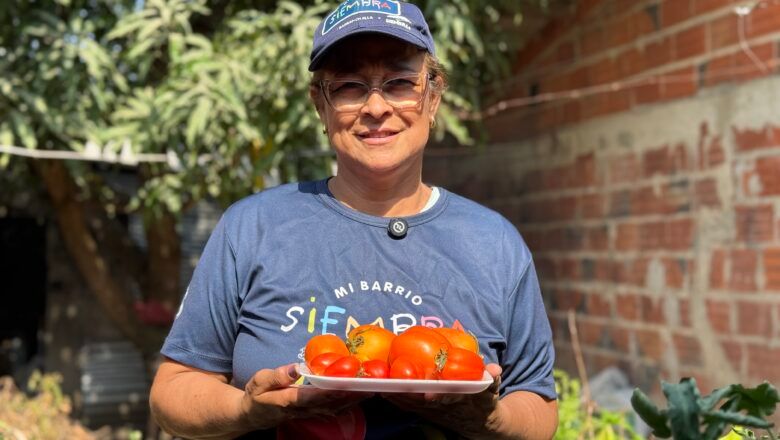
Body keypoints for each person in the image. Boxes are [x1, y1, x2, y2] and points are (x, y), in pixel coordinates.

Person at [149, 1, 558, 439]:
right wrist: (247, 408)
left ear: (434, 97)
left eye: (401, 82)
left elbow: (537, 404)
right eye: (349, 86)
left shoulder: (492, 242)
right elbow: (172, 392)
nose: (376, 107)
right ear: (320, 106)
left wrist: (489, 420)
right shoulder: (253, 227)